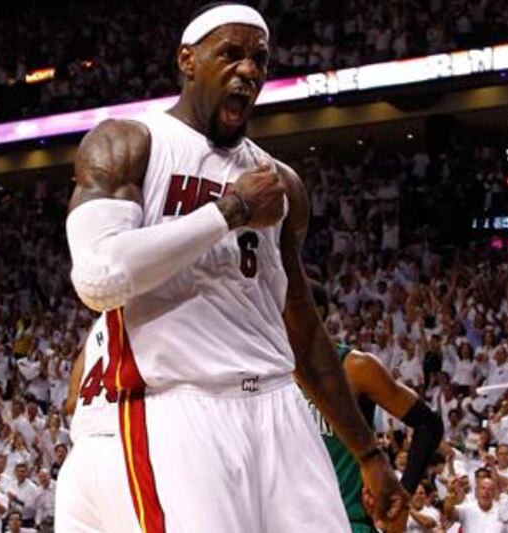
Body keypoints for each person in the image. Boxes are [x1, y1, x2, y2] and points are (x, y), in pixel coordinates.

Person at [64, 3, 406, 532]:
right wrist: (230, 212)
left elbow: (302, 328)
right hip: (181, 408)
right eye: (231, 53)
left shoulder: (280, 182)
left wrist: (368, 454)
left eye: (259, 59)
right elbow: (98, 278)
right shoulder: (129, 143)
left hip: (278, 406)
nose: (248, 69)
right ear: (188, 60)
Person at [309, 281, 444, 532]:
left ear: (316, 313)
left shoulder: (355, 368)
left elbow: (429, 424)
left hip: (346, 521)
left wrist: (402, 497)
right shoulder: (274, 374)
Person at [54, 316, 139, 531]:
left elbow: (71, 403)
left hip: (80, 456)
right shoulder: (154, 310)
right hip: (121, 448)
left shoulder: (99, 325)